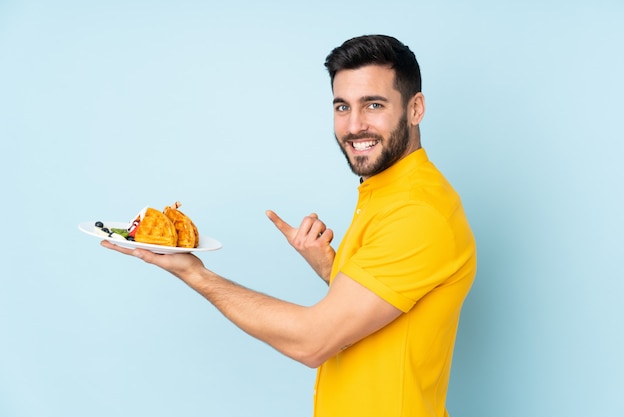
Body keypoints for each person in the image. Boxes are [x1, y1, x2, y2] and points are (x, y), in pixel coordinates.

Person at [102, 34, 477, 417]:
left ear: (415, 109)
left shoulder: (418, 213)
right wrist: (331, 268)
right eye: (342, 106)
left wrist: (196, 274)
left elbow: (312, 342)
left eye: (374, 105)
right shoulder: (387, 192)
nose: (354, 126)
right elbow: (387, 310)